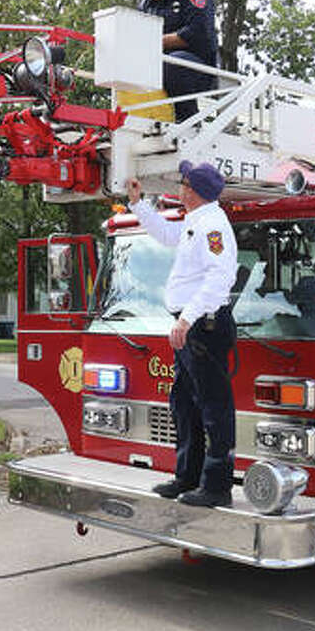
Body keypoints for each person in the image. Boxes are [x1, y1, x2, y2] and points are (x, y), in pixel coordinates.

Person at [127, 162, 237, 507]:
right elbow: (166, 236)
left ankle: (216, 487)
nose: (179, 186)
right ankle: (188, 477)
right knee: (184, 403)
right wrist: (137, 204)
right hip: (191, 326)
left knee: (214, 406)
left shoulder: (214, 226)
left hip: (202, 327)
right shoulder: (197, 220)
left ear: (194, 190)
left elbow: (220, 279)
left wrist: (185, 320)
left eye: (183, 182)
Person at [134, 0, 219, 123]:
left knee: (173, 63)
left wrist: (156, 42)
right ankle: (142, 120)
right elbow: (138, 38)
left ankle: (187, 122)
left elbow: (197, 33)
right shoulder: (146, 5)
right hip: (159, 69)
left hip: (199, 70)